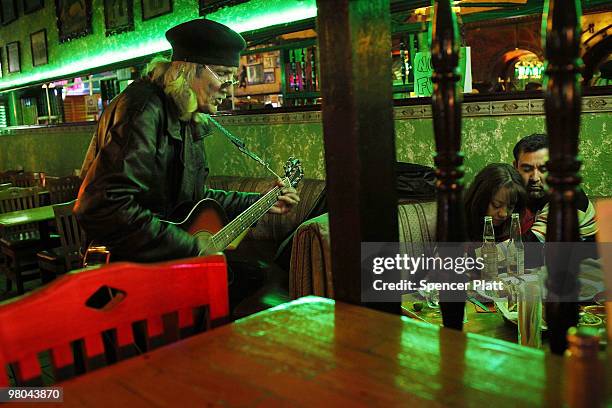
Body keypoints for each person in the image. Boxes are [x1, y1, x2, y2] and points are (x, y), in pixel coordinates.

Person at [75, 18, 300, 262]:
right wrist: (192, 248)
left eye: (232, 78)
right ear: (187, 70)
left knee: (256, 273)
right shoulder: (143, 110)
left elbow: (194, 199)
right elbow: (104, 206)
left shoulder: (186, 113)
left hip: (161, 258)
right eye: (223, 74)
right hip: (127, 266)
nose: (229, 88)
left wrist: (261, 202)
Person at [512, 134, 597, 242]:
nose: (535, 177)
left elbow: (528, 244)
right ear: (515, 167)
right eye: (527, 169)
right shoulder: (520, 191)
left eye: (544, 169)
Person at [464, 163, 527, 242]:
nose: (504, 214)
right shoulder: (456, 218)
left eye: (510, 207)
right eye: (496, 205)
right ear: (480, 198)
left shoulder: (520, 221)